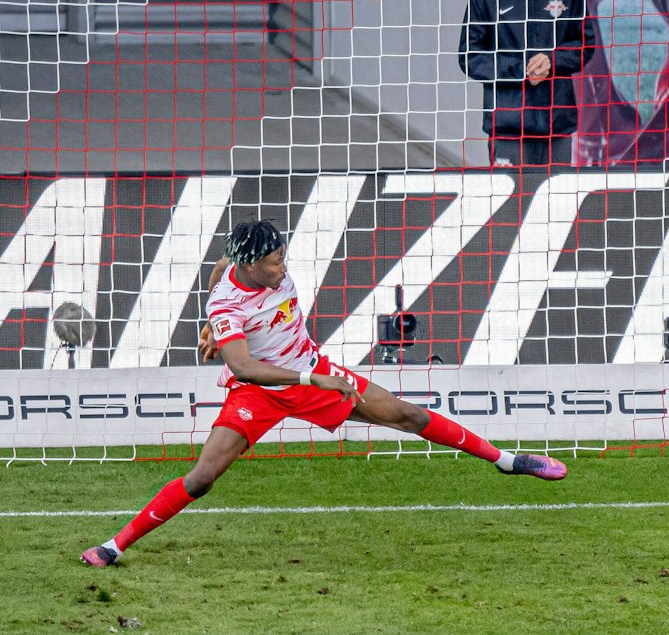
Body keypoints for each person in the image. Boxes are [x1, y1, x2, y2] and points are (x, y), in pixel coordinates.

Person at [79, 220, 565, 568]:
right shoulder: (229, 302)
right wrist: (308, 378)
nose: (282, 266)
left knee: (407, 416)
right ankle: (114, 545)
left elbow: (220, 265)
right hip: (261, 391)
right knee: (204, 477)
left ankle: (505, 460)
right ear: (254, 265)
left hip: (312, 370)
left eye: (281, 256)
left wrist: (215, 332)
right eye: (274, 261)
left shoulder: (237, 264)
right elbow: (244, 365)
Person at [458, 0, 594, 168]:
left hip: (558, 124)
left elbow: (586, 44)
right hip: (508, 127)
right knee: (512, 206)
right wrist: (522, 69)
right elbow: (470, 57)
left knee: (557, 205)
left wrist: (552, 61)